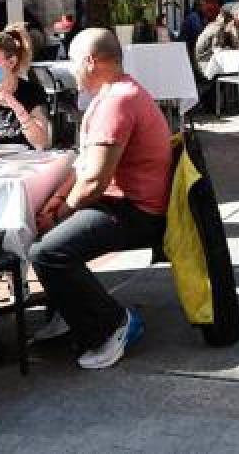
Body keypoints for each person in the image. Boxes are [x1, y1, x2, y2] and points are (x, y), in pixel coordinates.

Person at [29, 28, 172, 369]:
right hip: (119, 202)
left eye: (74, 62)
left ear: (91, 62)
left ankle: (113, 325)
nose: (71, 69)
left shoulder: (118, 101)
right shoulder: (114, 93)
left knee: (48, 252)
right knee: (40, 224)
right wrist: (56, 200)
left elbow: (95, 179)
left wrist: (61, 212)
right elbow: (85, 164)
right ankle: (72, 313)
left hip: (137, 212)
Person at [195, 3, 239, 71]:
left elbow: (236, 45)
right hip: (206, 66)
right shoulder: (217, 29)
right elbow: (217, 52)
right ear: (229, 21)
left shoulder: (224, 29)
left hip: (212, 64)